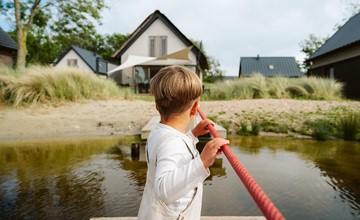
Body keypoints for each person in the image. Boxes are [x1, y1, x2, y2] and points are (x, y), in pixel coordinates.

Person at [137, 65, 229, 220]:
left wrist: (192, 135)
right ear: (194, 109)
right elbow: (164, 189)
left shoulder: (158, 131)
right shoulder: (172, 143)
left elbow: (171, 147)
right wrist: (202, 162)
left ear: (157, 105)